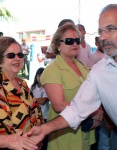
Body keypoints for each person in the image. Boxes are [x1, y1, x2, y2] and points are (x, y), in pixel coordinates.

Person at [27, 4, 117, 146]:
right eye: (101, 31)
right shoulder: (99, 71)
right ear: (58, 45)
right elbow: (77, 108)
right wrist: (45, 128)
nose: (103, 37)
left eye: (111, 29)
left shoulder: (84, 68)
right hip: (69, 135)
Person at [40, 24, 103, 150]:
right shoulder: (52, 70)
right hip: (65, 134)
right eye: (69, 41)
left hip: (85, 132)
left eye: (77, 40)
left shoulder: (82, 66)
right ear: (58, 45)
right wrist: (93, 112)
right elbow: (58, 105)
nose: (75, 44)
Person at [0, 37, 43, 135]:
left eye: (20, 55)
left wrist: (38, 135)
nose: (17, 59)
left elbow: (38, 112)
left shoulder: (22, 84)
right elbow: (1, 133)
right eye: (11, 55)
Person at [31, 67, 50, 150]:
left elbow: (43, 101)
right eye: (38, 75)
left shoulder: (47, 87)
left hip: (44, 116)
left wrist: (32, 99)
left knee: (44, 137)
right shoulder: (33, 87)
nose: (40, 77)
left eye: (42, 75)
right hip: (34, 116)